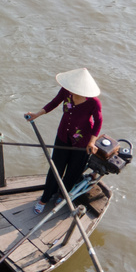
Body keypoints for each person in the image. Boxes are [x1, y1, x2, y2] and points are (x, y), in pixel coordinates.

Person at [25, 67, 103, 214]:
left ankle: (62, 195)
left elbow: (98, 122)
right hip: (63, 136)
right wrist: (37, 114)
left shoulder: (93, 102)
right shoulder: (66, 92)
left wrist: (92, 142)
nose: (70, 90)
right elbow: (54, 103)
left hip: (82, 142)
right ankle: (45, 198)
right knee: (56, 168)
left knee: (73, 171)